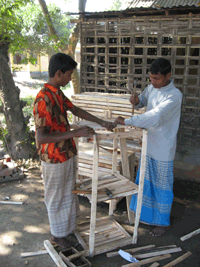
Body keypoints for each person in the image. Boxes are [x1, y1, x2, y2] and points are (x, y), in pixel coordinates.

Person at [33, 53, 113, 248]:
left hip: (66, 154)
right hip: (53, 158)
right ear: (58, 73)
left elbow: (75, 110)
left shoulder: (57, 93)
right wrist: (74, 134)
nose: (70, 79)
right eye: (69, 75)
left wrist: (102, 122)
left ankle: (65, 231)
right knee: (55, 196)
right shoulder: (43, 98)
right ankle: (56, 236)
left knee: (68, 193)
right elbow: (41, 138)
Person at [113, 57, 183, 237]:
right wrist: (136, 100)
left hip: (163, 147)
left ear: (168, 76)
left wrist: (127, 121)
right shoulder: (152, 88)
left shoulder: (174, 95)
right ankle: (146, 217)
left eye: (157, 78)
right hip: (147, 143)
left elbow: (155, 116)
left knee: (162, 186)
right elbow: (143, 101)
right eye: (150, 78)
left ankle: (163, 222)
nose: (152, 82)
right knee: (146, 181)